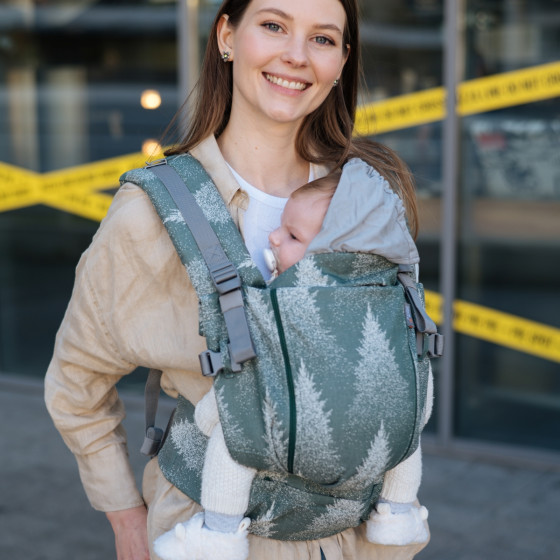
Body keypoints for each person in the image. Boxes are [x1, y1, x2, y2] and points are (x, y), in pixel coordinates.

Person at [45, 0, 431, 558]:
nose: (296, 56)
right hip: (210, 536)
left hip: (360, 540)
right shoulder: (151, 212)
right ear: (227, 35)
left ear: (343, 60)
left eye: (323, 39)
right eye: (273, 26)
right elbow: (76, 383)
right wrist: (128, 520)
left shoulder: (368, 197)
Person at [154, 161, 431, 560]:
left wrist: (212, 415)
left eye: (293, 235)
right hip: (371, 442)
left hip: (287, 444)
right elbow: (416, 388)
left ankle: (219, 533)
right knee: (407, 436)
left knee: (233, 446)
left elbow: (250, 384)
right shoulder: (389, 302)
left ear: (335, 255)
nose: (274, 237)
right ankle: (398, 513)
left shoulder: (285, 308)